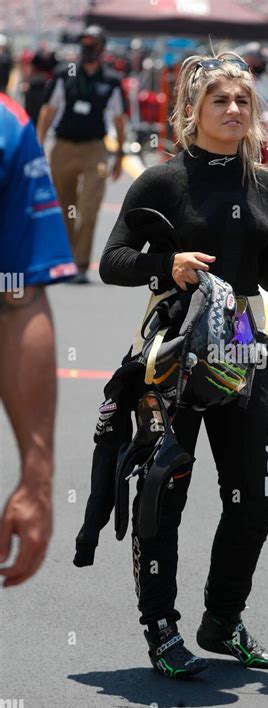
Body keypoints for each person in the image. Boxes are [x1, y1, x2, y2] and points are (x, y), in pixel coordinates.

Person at [99, 50, 268, 679]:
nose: (232, 110)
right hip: (172, 351)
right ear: (191, 112)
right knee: (163, 492)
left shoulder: (262, 182)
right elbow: (112, 261)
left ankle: (221, 622)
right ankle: (161, 628)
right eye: (219, 101)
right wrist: (163, 266)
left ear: (254, 112)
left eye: (242, 101)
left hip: (244, 347)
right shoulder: (162, 181)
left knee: (253, 498)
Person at [0, 94, 77, 587]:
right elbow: (17, 299)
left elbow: (17, 300)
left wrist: (37, 474)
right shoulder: (8, 123)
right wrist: (37, 476)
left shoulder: (9, 127)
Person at [36, 25, 127, 284]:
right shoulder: (64, 74)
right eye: (84, 44)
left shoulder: (111, 79)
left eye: (93, 45)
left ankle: (80, 264)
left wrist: (120, 154)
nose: (88, 50)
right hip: (64, 147)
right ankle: (64, 260)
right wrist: (38, 143)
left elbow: (119, 119)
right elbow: (48, 110)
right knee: (65, 207)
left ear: (102, 49)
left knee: (88, 208)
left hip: (94, 148)